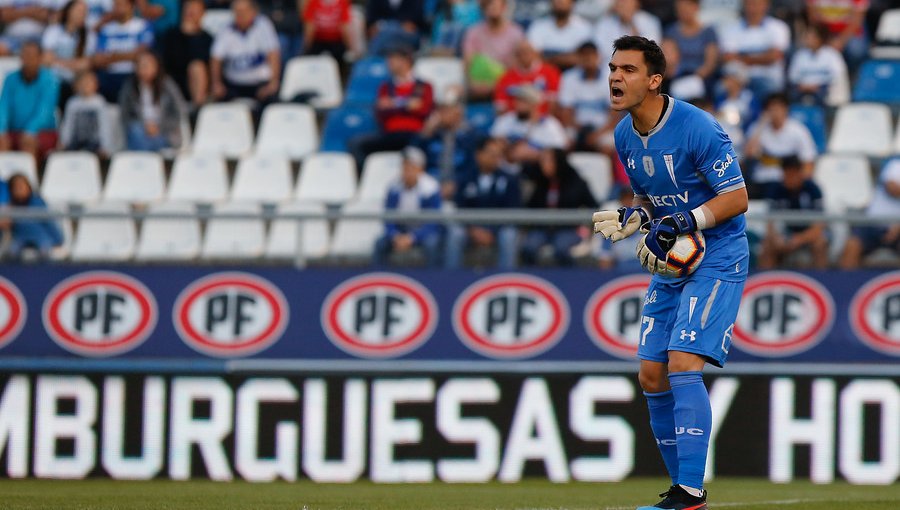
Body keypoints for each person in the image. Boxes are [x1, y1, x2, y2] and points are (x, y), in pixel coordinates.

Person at [592, 35, 748, 510]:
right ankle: (679, 489)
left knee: (682, 363)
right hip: (675, 259)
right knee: (651, 376)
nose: (616, 77)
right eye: (613, 68)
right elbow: (651, 203)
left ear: (654, 80)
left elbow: (737, 198)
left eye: (628, 70)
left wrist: (683, 221)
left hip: (718, 254)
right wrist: (633, 219)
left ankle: (690, 491)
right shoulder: (623, 135)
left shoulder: (698, 127)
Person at [348, 46, 434, 170]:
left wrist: (393, 104)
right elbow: (381, 113)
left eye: (393, 59)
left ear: (406, 61)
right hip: (390, 134)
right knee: (355, 144)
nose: (389, 63)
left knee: (425, 146)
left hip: (413, 134)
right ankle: (364, 180)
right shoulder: (385, 87)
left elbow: (424, 111)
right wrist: (407, 105)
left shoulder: (424, 86)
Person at [446, 136, 520, 269]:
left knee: (509, 235)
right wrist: (473, 230)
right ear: (478, 155)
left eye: (498, 155)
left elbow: (512, 211)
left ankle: (506, 279)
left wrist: (491, 231)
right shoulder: (465, 178)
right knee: (455, 234)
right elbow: (459, 207)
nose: (495, 159)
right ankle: (451, 276)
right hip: (471, 229)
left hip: (499, 229)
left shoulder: (510, 180)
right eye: (491, 154)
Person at [520, 148, 597, 266]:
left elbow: (593, 205)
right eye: (542, 160)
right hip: (542, 228)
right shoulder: (540, 182)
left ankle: (566, 280)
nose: (543, 164)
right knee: (528, 248)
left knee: (561, 249)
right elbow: (530, 206)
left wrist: (584, 226)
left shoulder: (576, 183)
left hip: (568, 228)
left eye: (548, 161)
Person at [373, 146, 443, 267]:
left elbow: (433, 222)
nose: (407, 170)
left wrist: (413, 238)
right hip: (401, 231)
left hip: (422, 232)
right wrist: (395, 236)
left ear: (420, 168)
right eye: (405, 166)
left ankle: (433, 279)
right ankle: (378, 277)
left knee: (432, 243)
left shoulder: (431, 188)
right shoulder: (394, 187)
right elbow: (388, 218)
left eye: (412, 166)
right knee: (380, 243)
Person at [758, 155, 828, 269]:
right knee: (767, 245)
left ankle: (823, 281)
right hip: (785, 234)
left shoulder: (813, 190)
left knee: (820, 243)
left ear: (800, 173)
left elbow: (819, 226)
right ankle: (767, 282)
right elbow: (770, 223)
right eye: (787, 174)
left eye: (793, 174)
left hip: (808, 234)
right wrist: (777, 238)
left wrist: (799, 239)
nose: (790, 178)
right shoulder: (775, 190)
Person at [743, 93, 817, 197]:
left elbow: (808, 162)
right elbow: (749, 153)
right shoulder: (757, 128)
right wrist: (762, 123)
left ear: (786, 109)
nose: (775, 112)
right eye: (771, 108)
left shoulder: (798, 130)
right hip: (763, 180)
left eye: (778, 108)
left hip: (787, 182)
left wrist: (799, 183)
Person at [210, 0, 280, 104]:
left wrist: (273, 82)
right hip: (234, 84)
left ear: (253, 12)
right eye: (237, 12)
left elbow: (273, 54)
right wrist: (216, 83)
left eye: (244, 11)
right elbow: (216, 58)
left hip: (259, 84)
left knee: (272, 103)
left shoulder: (263, 25)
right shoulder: (226, 29)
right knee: (218, 103)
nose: (240, 15)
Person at [413, 88, 479, 200]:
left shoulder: (469, 135)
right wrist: (424, 134)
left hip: (460, 190)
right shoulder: (431, 134)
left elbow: (472, 167)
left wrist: (456, 184)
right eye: (440, 110)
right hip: (430, 187)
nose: (442, 114)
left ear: (458, 112)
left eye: (447, 110)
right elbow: (413, 156)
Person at [0, 42, 60, 162]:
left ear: (39, 58)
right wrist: (1, 130)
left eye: (32, 56)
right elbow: (4, 107)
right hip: (14, 131)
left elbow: (44, 111)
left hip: (42, 132)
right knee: (1, 142)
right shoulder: (10, 78)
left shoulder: (50, 79)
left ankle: (29, 179)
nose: (28, 59)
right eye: (25, 55)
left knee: (28, 143)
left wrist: (30, 131)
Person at [719, 0, 791, 98]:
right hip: (737, 79)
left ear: (766, 5)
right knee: (720, 89)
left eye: (757, 4)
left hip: (768, 78)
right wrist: (762, 57)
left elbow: (774, 57)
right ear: (744, 5)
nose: (753, 8)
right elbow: (728, 57)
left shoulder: (778, 27)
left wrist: (742, 58)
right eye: (750, 4)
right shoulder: (731, 29)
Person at [557, 41, 619, 154]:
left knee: (608, 147)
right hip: (577, 126)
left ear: (598, 56)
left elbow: (614, 115)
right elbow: (565, 112)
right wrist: (578, 130)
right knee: (562, 144)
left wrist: (597, 134)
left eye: (591, 55)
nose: (588, 59)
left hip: (602, 128)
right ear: (578, 58)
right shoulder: (569, 77)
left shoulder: (611, 77)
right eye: (584, 55)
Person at [118, 50, 187, 151]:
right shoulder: (129, 88)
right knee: (136, 131)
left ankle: (142, 159)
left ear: (156, 66)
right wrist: (145, 126)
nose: (144, 69)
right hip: (140, 132)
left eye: (147, 65)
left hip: (165, 134)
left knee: (140, 143)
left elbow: (180, 111)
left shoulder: (167, 85)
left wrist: (159, 127)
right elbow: (124, 116)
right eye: (141, 65)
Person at [88, 0, 154, 102]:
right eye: (116, 5)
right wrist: (128, 55)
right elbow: (98, 60)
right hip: (109, 76)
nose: (118, 9)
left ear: (131, 7)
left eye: (122, 5)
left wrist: (112, 57)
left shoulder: (143, 25)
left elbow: (141, 54)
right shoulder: (106, 29)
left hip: (133, 74)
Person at [840, 158, 900, 269]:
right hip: (872, 225)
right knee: (852, 245)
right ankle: (846, 285)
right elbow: (891, 187)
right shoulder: (896, 165)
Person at [490, 84, 569, 167]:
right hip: (508, 169)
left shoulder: (549, 124)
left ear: (534, 104)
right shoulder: (506, 120)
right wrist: (509, 149)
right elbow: (492, 144)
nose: (516, 104)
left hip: (537, 170)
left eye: (522, 101)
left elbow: (559, 153)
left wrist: (536, 154)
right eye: (516, 100)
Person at [462, 0, 525, 101]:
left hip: (506, 84)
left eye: (495, 5)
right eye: (488, 5)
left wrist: (498, 84)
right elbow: (468, 62)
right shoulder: (473, 32)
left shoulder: (516, 33)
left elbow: (517, 65)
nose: (492, 8)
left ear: (503, 7)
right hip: (478, 85)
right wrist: (474, 83)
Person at [661, 0, 718, 101]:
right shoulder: (671, 31)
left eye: (686, 8)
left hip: (701, 77)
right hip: (675, 76)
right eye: (680, 9)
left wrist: (695, 77)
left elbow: (710, 62)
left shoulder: (708, 32)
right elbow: (666, 55)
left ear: (696, 7)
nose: (683, 12)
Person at [159, 0, 212, 107]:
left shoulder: (207, 39)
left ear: (203, 14)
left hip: (200, 84)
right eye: (188, 9)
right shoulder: (171, 35)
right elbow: (169, 61)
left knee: (197, 67)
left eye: (195, 10)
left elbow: (207, 64)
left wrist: (193, 36)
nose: (191, 12)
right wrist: (186, 34)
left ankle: (197, 111)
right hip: (173, 81)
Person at [1, 174, 63, 259]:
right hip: (20, 237)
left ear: (28, 187)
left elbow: (49, 222)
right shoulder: (11, 206)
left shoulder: (37, 202)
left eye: (21, 187)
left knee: (44, 250)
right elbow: (6, 224)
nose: (19, 190)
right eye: (16, 188)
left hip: (40, 236)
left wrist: (57, 240)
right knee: (12, 251)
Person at [41, 0, 90, 106]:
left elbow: (85, 64)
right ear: (69, 12)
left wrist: (58, 61)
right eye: (80, 11)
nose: (83, 14)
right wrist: (73, 64)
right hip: (53, 80)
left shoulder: (87, 36)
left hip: (74, 82)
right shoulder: (54, 31)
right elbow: (47, 60)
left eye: (85, 12)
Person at [788, 23, 849, 106]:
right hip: (803, 90)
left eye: (810, 37)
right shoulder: (799, 55)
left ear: (819, 38)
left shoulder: (832, 55)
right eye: (806, 37)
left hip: (824, 90)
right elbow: (793, 77)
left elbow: (837, 76)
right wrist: (805, 86)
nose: (807, 39)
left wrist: (817, 86)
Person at [493, 40, 561, 114]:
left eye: (527, 52)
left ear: (536, 53)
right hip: (514, 119)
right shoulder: (506, 77)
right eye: (520, 53)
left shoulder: (550, 72)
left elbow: (553, 102)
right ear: (516, 56)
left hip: (541, 118)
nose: (523, 56)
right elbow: (501, 106)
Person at [525, 0, 592, 70]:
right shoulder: (538, 26)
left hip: (573, 75)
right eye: (556, 1)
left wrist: (549, 59)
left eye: (563, 2)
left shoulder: (584, 28)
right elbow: (532, 56)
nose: (559, 3)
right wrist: (567, 58)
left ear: (572, 3)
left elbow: (583, 58)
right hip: (545, 75)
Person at [59, 70, 114, 155]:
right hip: (76, 142)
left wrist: (105, 146)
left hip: (94, 144)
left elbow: (104, 126)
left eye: (88, 83)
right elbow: (68, 125)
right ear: (76, 86)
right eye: (82, 83)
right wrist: (64, 142)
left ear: (96, 85)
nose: (85, 86)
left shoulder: (99, 103)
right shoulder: (72, 103)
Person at [806, 0, 868, 72]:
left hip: (849, 31)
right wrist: (825, 39)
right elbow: (813, 18)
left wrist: (840, 41)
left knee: (856, 50)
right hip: (824, 31)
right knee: (807, 47)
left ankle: (853, 75)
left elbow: (856, 21)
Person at [594, 0, 662, 61]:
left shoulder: (650, 21)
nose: (622, 4)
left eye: (625, 1)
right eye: (619, 1)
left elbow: (651, 50)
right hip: (611, 66)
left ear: (636, 3)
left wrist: (630, 23)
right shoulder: (605, 23)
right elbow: (601, 52)